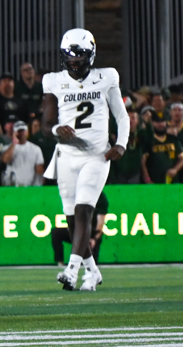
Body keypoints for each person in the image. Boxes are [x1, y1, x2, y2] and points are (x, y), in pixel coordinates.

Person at [41, 28, 129, 292]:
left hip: (97, 155)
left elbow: (122, 116)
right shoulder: (53, 81)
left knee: (84, 211)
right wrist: (58, 130)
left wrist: (121, 143)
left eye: (80, 55)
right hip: (66, 156)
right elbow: (46, 124)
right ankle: (93, 273)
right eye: (70, 55)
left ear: (90, 55)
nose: (75, 60)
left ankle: (71, 270)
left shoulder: (106, 76)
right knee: (71, 220)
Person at [142, 114, 183, 185]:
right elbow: (143, 162)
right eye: (157, 122)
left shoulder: (173, 139)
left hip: (173, 182)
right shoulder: (148, 141)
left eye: (162, 122)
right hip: (154, 182)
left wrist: (175, 169)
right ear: (153, 123)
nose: (160, 124)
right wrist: (147, 179)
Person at [2, 120, 44, 187]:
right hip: (12, 187)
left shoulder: (36, 149)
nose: (21, 133)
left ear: (27, 132)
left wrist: (37, 188)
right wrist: (14, 142)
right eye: (18, 131)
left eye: (23, 131)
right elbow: (5, 160)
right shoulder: (7, 148)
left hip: (29, 188)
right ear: (14, 133)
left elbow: (39, 171)